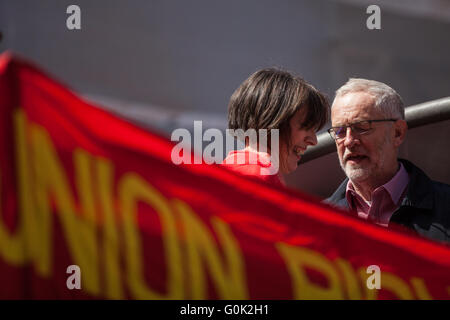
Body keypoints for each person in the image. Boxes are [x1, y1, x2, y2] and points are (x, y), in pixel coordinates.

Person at [326, 78, 450, 244]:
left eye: (362, 127)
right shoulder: (317, 219)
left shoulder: (445, 207)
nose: (348, 141)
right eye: (339, 131)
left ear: (397, 133)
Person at [222, 68, 329, 186]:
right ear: (272, 121)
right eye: (306, 126)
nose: (313, 141)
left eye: (314, 130)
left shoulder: (230, 168)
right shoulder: (261, 175)